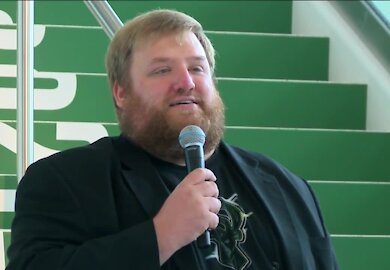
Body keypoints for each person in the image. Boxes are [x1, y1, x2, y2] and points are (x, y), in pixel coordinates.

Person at [7, 9, 339, 270]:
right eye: (162, 70)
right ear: (121, 92)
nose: (186, 82)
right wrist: (161, 235)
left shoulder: (285, 187)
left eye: (197, 68)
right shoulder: (65, 181)